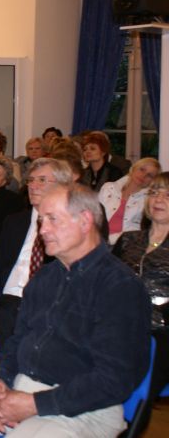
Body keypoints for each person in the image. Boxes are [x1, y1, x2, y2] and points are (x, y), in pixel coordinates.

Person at [0, 184, 152, 438]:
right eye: (41, 220)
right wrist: (0, 383)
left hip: (83, 410)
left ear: (85, 220)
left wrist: (35, 404)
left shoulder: (120, 286)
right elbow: (17, 341)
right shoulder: (45, 277)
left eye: (52, 219)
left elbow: (115, 379)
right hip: (21, 390)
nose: (42, 230)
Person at [0, 158, 73, 349]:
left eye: (42, 180)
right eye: (30, 180)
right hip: (9, 298)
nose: (33, 186)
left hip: (47, 301)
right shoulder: (14, 222)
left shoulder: (69, 225)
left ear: (62, 186)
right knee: (5, 312)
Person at [112, 171, 169, 401]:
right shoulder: (129, 239)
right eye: (154, 192)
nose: (158, 199)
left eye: (167, 195)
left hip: (161, 331)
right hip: (119, 324)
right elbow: (107, 282)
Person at [99, 157, 160, 245]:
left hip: (125, 245)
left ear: (153, 181)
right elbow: (95, 216)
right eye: (142, 169)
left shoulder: (149, 200)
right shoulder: (108, 188)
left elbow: (140, 231)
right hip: (97, 240)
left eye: (150, 175)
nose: (143, 175)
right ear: (133, 169)